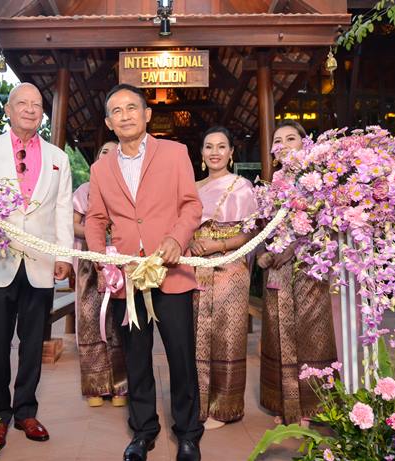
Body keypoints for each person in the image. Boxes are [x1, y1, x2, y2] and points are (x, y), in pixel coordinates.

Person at [85, 83, 204, 461]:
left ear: (147, 114)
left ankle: (187, 433)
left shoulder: (175, 153)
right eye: (116, 111)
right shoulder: (100, 168)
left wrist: (177, 238)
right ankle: (143, 431)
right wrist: (103, 261)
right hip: (128, 279)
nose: (125, 116)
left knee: (181, 357)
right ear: (108, 122)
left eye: (132, 108)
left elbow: (190, 206)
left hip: (171, 272)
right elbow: (95, 219)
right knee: (135, 358)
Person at [0, 82, 73, 449]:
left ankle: (26, 410)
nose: (30, 109)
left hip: (41, 264)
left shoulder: (57, 157)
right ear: (8, 110)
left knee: (33, 343)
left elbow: (63, 210)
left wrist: (64, 256)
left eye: (37, 104)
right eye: (22, 103)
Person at [257, 120, 338, 425]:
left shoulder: (318, 180)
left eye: (291, 138)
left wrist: (296, 247)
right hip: (276, 269)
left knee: (310, 333)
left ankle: (314, 406)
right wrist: (265, 253)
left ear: (305, 144)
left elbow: (328, 223)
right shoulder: (271, 184)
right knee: (278, 333)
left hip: (308, 268)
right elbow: (261, 228)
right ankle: (285, 405)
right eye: (278, 140)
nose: (284, 144)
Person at [190, 126, 258, 430]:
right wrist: (193, 243)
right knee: (195, 334)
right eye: (209, 146)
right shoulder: (192, 187)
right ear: (202, 154)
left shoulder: (242, 187)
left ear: (231, 153)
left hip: (230, 268)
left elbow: (250, 231)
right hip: (195, 268)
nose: (215, 152)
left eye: (221, 147)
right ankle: (199, 402)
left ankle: (224, 406)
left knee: (226, 335)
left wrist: (217, 246)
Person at [73, 140, 128, 408]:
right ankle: (95, 386)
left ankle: (120, 386)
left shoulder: (126, 188)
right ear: (96, 158)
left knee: (118, 323)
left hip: (120, 262)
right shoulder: (84, 190)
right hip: (90, 262)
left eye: (114, 153)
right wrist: (98, 235)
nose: (109, 156)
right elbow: (74, 225)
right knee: (90, 321)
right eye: (103, 151)